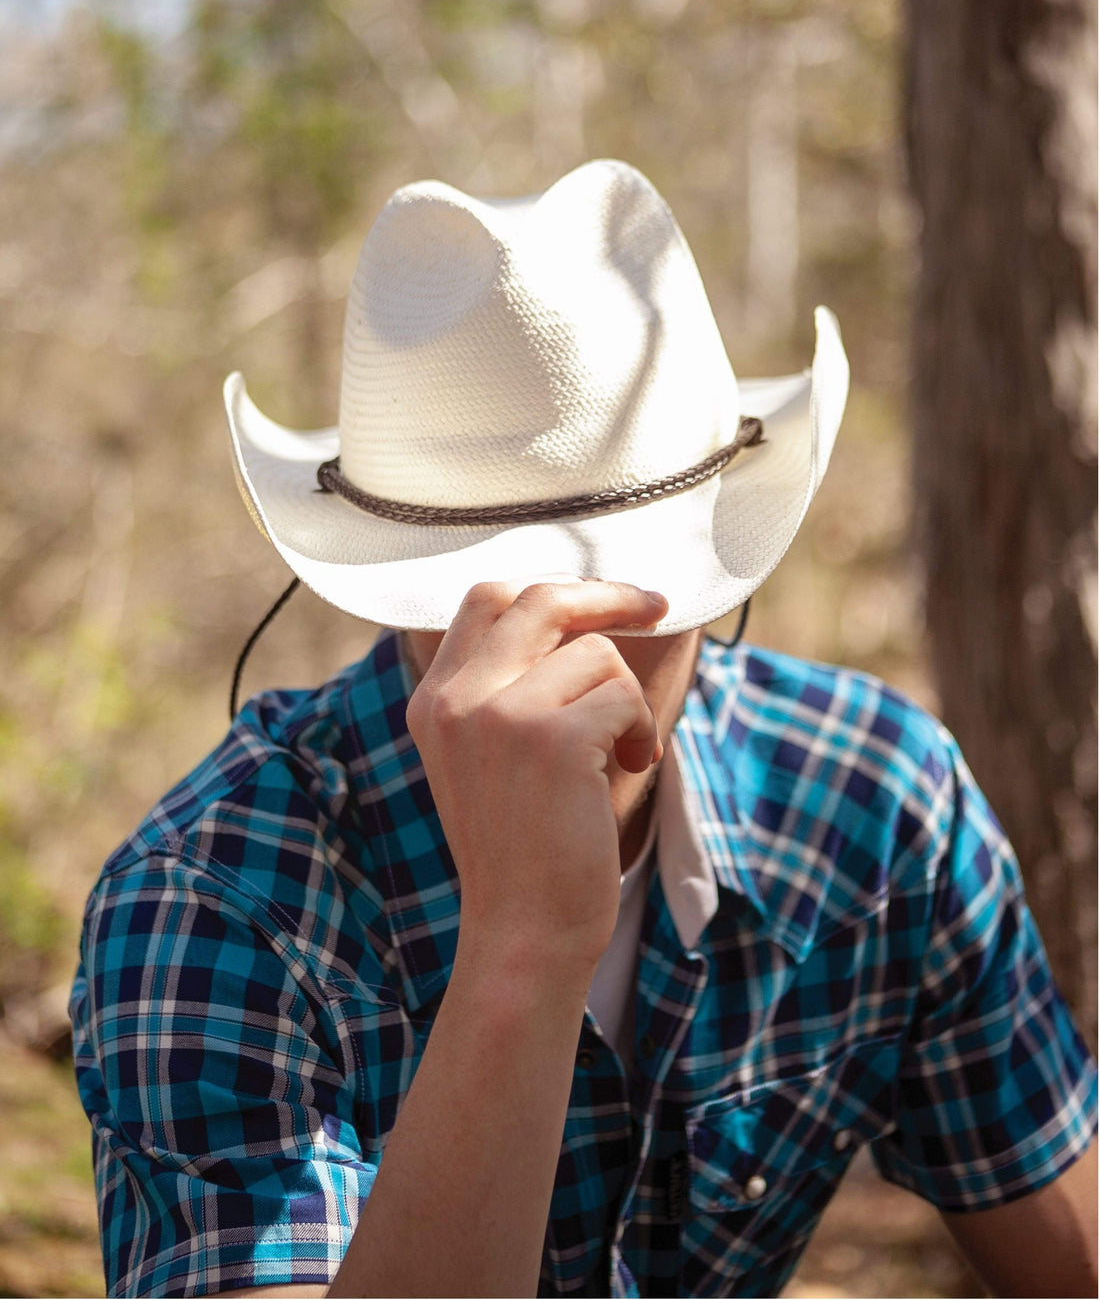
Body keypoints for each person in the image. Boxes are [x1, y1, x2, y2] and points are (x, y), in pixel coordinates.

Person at [71, 160, 1097, 1299]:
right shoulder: (218, 897)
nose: (559, 640)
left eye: (621, 582)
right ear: (395, 586)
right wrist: (520, 944)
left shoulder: (874, 800)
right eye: (482, 587)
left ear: (717, 570)